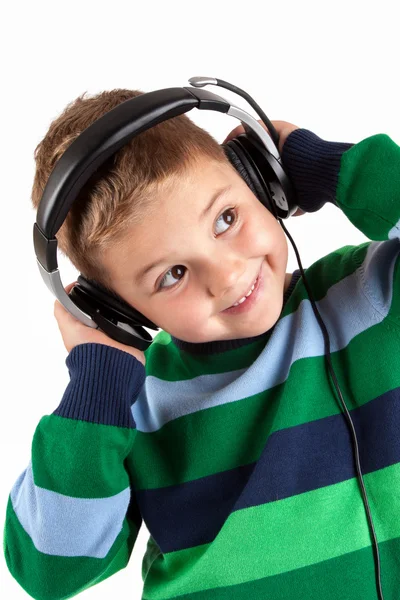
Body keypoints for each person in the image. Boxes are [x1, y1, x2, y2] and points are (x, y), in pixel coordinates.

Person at [3, 87, 400, 600]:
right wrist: (98, 388)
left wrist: (334, 168)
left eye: (225, 219)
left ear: (262, 180)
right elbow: (48, 570)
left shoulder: (369, 295)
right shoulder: (132, 409)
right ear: (117, 312)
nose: (227, 275)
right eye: (172, 274)